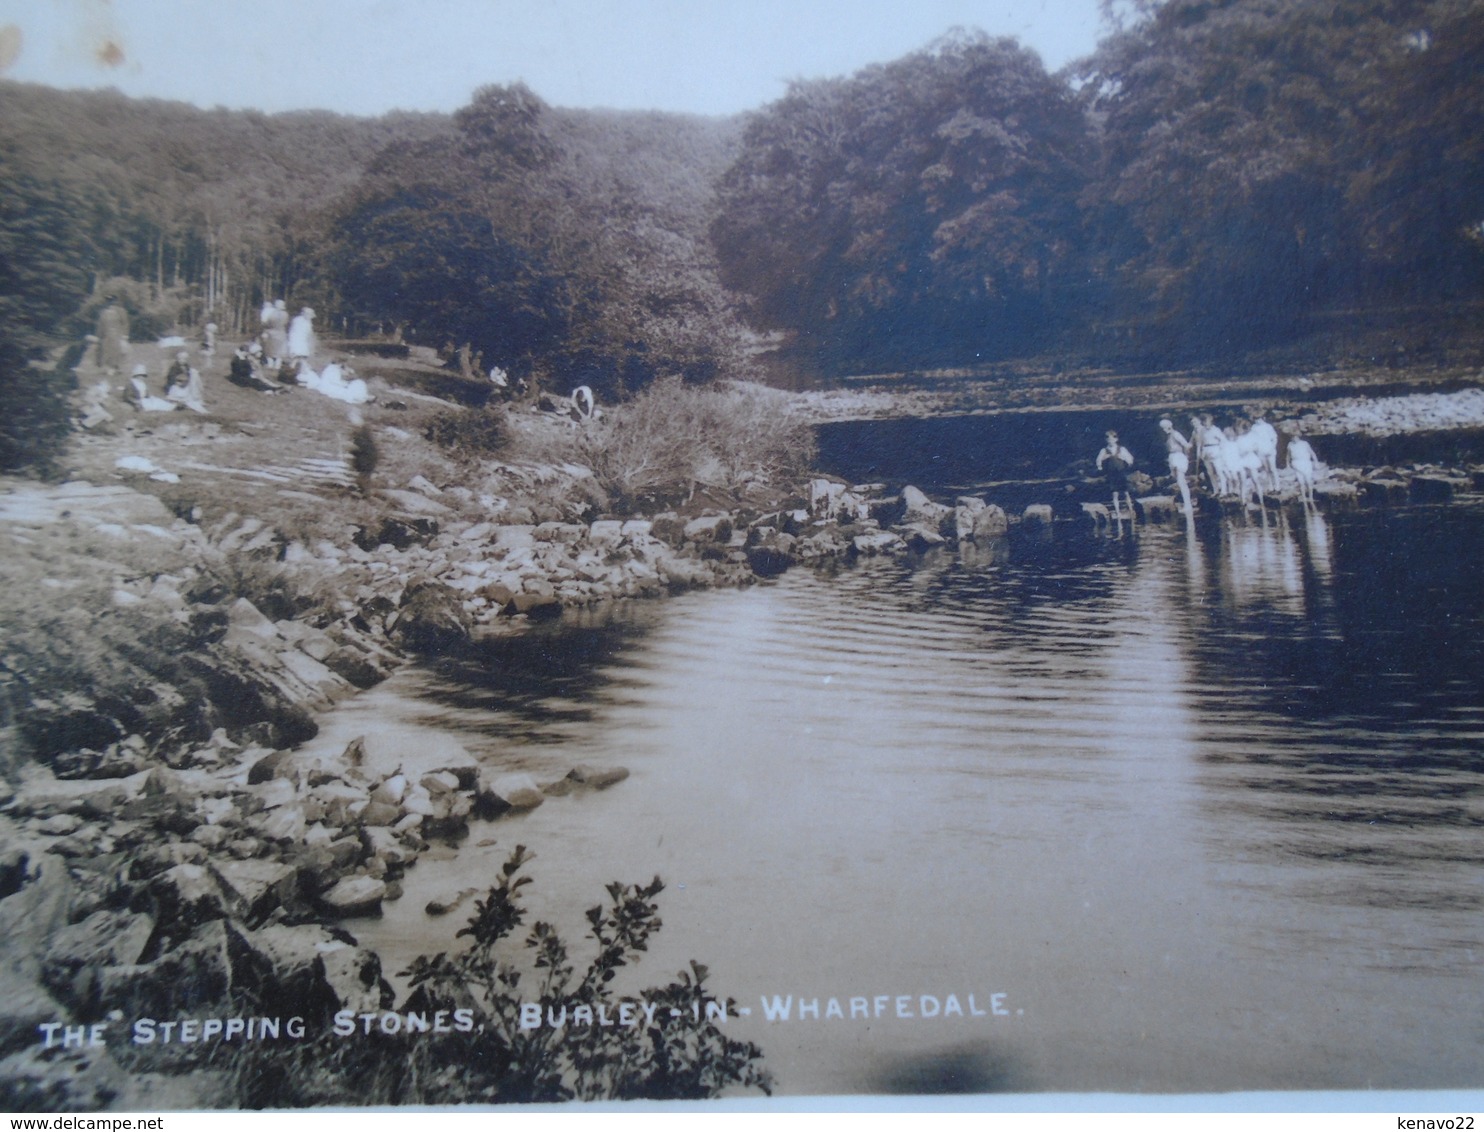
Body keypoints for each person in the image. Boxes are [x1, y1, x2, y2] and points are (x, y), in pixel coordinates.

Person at [1096, 430, 1137, 522]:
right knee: (1115, 494)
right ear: (1106, 440)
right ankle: (1118, 512)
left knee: (1126, 492)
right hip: (1112, 474)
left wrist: (1126, 461)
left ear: (1116, 439)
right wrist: (1101, 464)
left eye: (1112, 439)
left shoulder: (1121, 449)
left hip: (1121, 472)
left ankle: (1131, 510)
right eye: (1108, 439)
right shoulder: (1104, 450)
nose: (1110, 441)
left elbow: (1130, 459)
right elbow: (1098, 460)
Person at [1160, 418, 1194, 516]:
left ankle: (1188, 505)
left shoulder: (1175, 434)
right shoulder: (1168, 436)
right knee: (1178, 481)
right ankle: (1186, 502)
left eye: (1164, 427)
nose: (1163, 430)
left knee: (1181, 481)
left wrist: (1187, 455)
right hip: (1173, 457)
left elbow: (1186, 445)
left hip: (1178, 457)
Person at [95, 297, 130, 374]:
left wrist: (125, 335)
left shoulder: (121, 311)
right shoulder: (103, 312)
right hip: (107, 335)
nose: (110, 304)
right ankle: (109, 367)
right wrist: (99, 335)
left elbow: (125, 323)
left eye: (111, 302)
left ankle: (116, 367)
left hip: (118, 334)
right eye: (108, 302)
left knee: (118, 351)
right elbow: (101, 325)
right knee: (107, 351)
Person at [1285, 427, 1319, 505]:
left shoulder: (1304, 443)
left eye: (1295, 437)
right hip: (1296, 464)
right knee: (1301, 482)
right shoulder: (1290, 445)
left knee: (1308, 481)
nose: (1294, 439)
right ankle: (1303, 497)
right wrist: (1287, 464)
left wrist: (1316, 462)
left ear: (1298, 437)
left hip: (1306, 463)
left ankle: (1310, 497)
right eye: (1292, 437)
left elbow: (1312, 453)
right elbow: (1288, 456)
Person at [262, 299, 289, 366]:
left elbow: (267, 324)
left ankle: (270, 364)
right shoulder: (285, 314)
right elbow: (286, 323)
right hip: (281, 333)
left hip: (271, 333)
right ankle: (277, 364)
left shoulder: (271, 314)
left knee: (269, 350)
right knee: (280, 350)